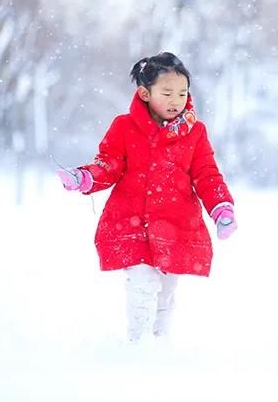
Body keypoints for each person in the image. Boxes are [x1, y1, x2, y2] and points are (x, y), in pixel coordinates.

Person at [56, 52, 237, 342]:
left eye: (182, 93)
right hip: (131, 223)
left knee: (165, 291)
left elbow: (207, 175)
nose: (176, 100)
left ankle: (158, 344)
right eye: (167, 93)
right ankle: (136, 343)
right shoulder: (124, 127)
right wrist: (85, 177)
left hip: (176, 225)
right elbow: (109, 164)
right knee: (141, 283)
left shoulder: (195, 133)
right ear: (144, 92)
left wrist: (221, 208)